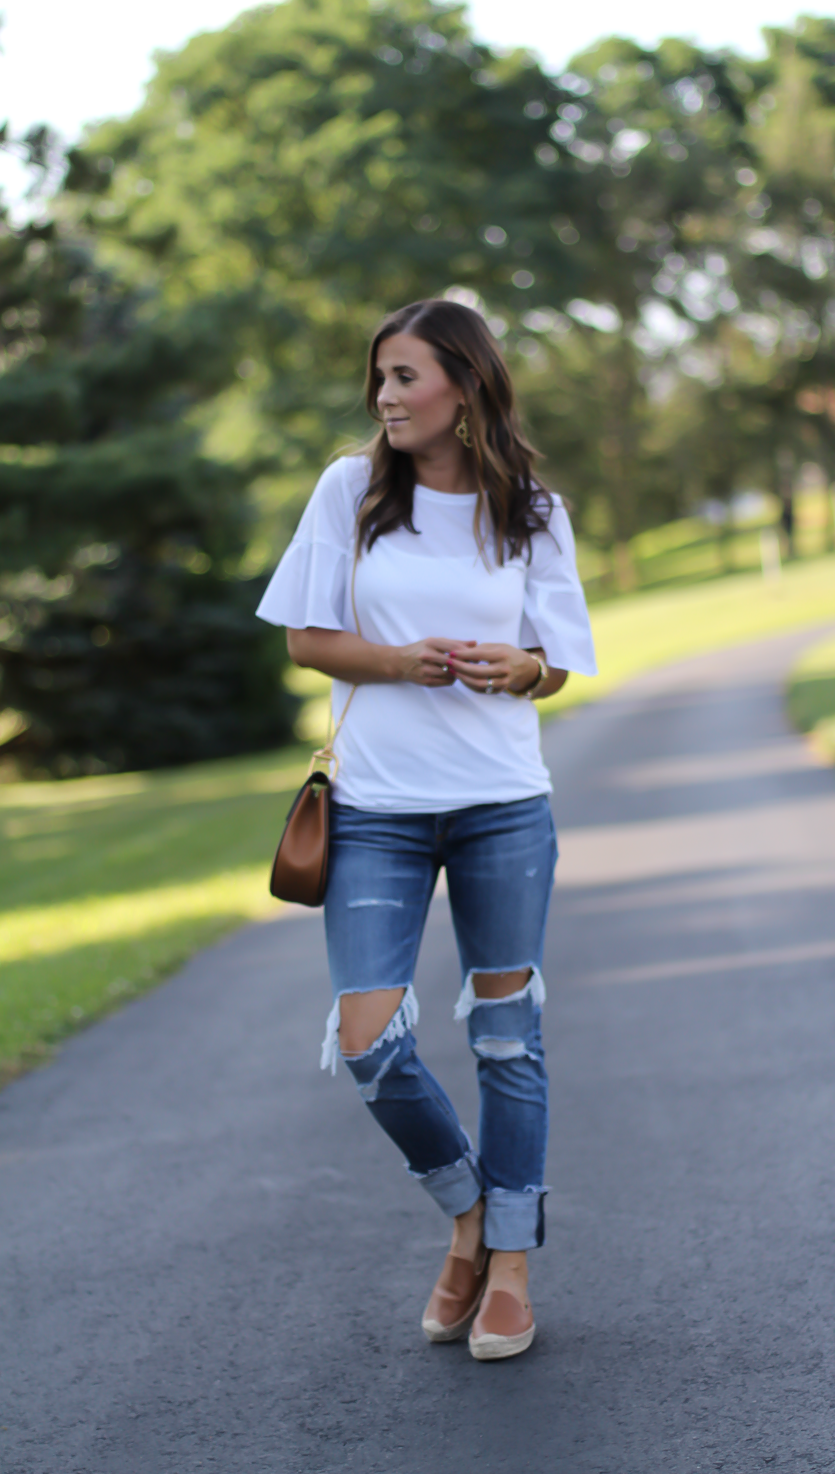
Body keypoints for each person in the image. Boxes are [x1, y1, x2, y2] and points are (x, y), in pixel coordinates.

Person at [256, 298, 596, 1361]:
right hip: (377, 811)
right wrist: (403, 660)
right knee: (367, 1040)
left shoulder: (532, 508)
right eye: (381, 378)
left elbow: (560, 659)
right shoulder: (348, 490)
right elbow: (307, 640)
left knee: (507, 1037)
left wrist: (522, 669)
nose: (385, 397)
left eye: (405, 377)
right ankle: (467, 1213)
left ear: (464, 384)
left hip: (501, 801)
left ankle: (511, 1266)